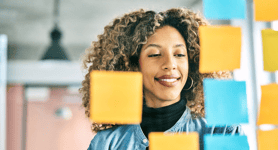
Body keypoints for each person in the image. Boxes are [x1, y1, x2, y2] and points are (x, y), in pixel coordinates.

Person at [80, 8, 243, 150]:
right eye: (155, 55)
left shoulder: (221, 132)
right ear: (132, 65)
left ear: (192, 63)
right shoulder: (107, 144)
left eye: (179, 54)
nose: (170, 64)